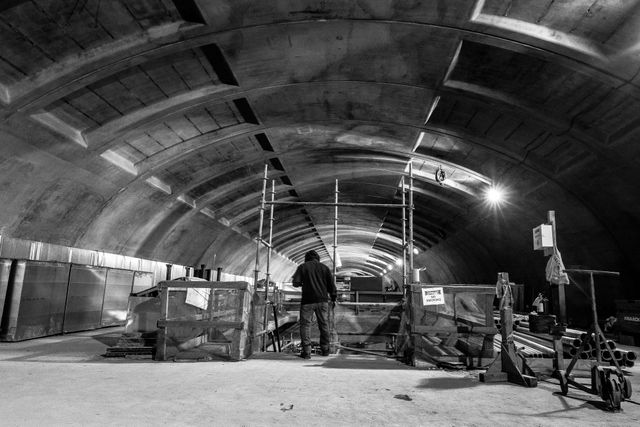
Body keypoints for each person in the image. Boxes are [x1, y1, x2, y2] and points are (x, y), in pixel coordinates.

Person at [292, 249, 337, 359]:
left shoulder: (302, 267)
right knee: (324, 324)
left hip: (307, 301)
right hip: (322, 301)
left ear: (306, 258)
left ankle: (306, 352)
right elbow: (332, 285)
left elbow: (295, 283)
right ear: (318, 258)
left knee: (305, 325)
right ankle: (325, 349)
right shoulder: (324, 268)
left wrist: (305, 282)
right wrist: (333, 298)